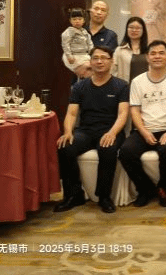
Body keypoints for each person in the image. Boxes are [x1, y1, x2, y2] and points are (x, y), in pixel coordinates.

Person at [55, 46, 129, 214]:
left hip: (110, 130)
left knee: (107, 149)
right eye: (95, 58)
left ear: (111, 61)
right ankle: (74, 195)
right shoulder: (80, 87)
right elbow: (71, 113)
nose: (99, 61)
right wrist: (68, 132)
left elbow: (123, 114)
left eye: (104, 58)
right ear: (90, 61)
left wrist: (112, 133)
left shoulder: (121, 86)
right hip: (86, 131)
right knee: (65, 147)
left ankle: (104, 197)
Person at [119, 40, 166, 207]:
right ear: (147, 57)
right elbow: (134, 110)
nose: (157, 56)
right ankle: (145, 189)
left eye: (161, 53)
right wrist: (143, 131)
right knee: (126, 152)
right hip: (144, 129)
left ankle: (164, 189)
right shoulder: (137, 81)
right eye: (153, 53)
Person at [113, 16, 149, 84]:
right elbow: (113, 71)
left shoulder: (149, 50)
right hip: (125, 86)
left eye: (138, 28)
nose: (134, 30)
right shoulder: (119, 50)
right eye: (131, 27)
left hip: (144, 86)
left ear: (143, 30)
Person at [61, 8, 94, 78]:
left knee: (93, 67)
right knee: (87, 68)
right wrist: (69, 56)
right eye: (74, 19)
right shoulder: (68, 32)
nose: (77, 21)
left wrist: (92, 53)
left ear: (84, 20)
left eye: (79, 19)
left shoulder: (85, 32)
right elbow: (65, 45)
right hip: (74, 56)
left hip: (84, 55)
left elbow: (90, 43)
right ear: (70, 21)